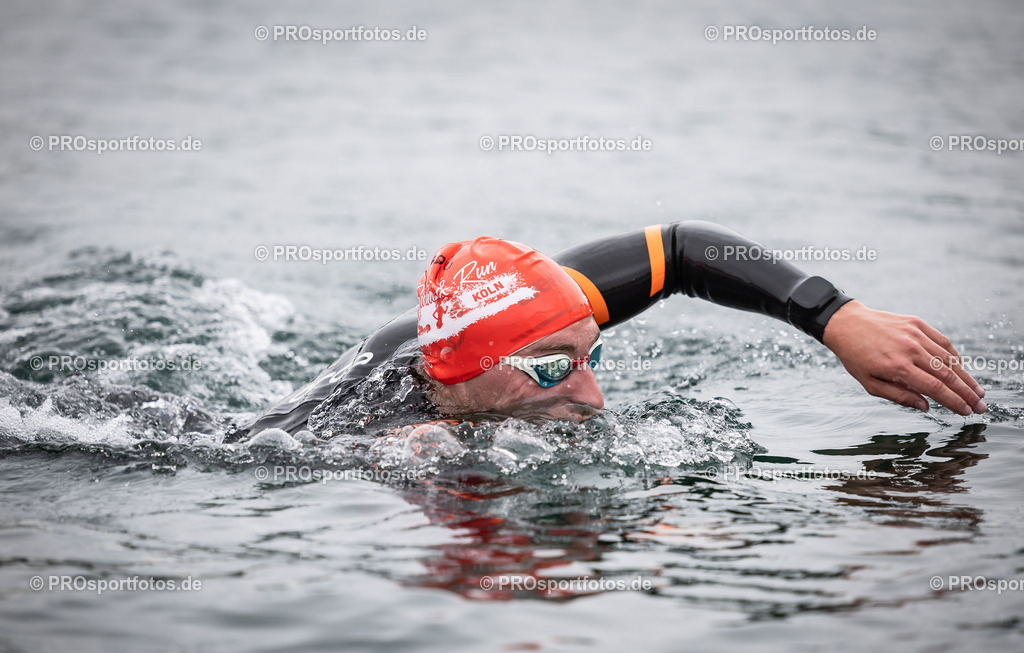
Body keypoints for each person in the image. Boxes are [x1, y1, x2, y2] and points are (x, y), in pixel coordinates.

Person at [229, 220, 986, 441]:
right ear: (462, 374)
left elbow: (684, 249)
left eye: (590, 353)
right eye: (557, 366)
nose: (592, 392)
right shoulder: (377, 432)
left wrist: (833, 315)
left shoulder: (535, 311)